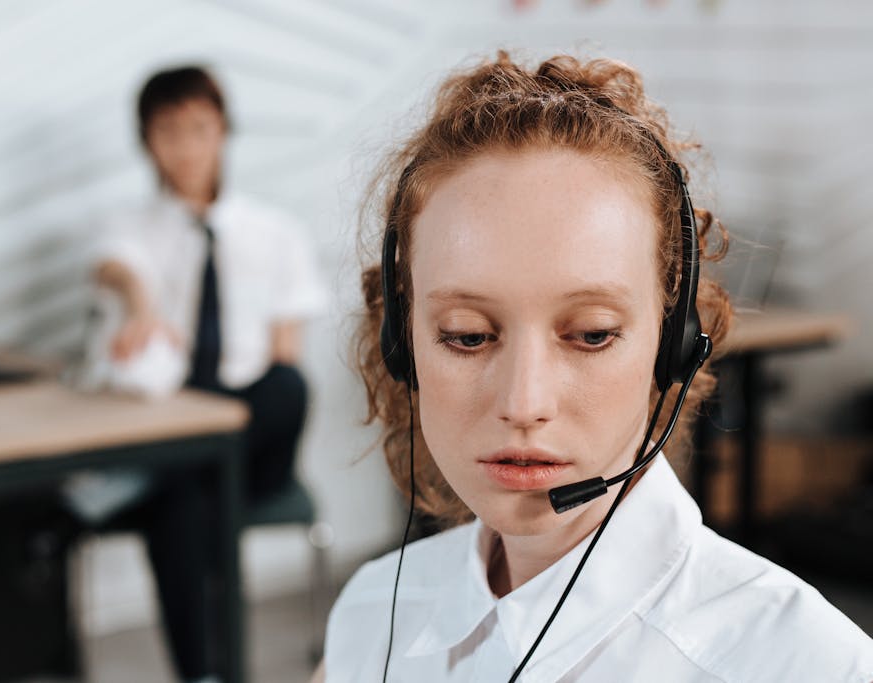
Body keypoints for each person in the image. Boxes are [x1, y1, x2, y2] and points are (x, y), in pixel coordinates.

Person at [317, 53, 873, 682]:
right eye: (467, 337)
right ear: (402, 344)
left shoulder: (805, 663)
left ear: (673, 345)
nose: (524, 403)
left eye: (592, 335)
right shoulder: (372, 614)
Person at [90, 66, 326, 682]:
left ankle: (144, 481)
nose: (187, 146)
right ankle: (208, 674)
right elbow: (115, 268)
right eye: (169, 131)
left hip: (251, 443)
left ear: (223, 131)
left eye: (200, 128)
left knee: (287, 388)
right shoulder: (130, 228)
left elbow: (286, 356)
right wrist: (142, 306)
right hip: (177, 430)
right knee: (187, 505)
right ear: (147, 140)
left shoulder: (276, 232)